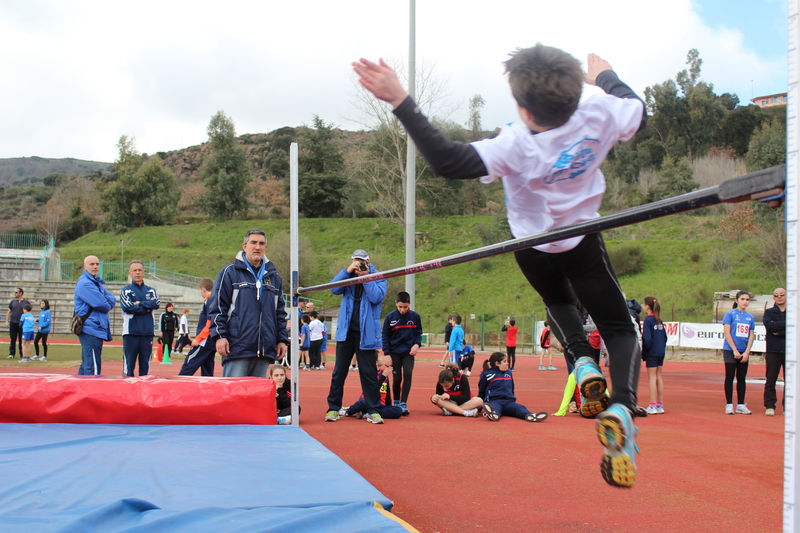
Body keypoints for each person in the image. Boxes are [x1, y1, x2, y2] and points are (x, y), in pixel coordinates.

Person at [354, 45, 646, 487]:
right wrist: (605, 76)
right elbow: (638, 110)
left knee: (556, 301)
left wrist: (400, 99)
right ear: (573, 90)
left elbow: (448, 159)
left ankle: (583, 363)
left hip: (531, 244)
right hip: (582, 240)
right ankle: (622, 406)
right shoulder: (601, 108)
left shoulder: (516, 142)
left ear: (523, 107)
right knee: (621, 330)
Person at [208, 230, 288, 378]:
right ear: (244, 246)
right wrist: (220, 336)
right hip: (237, 347)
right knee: (233, 395)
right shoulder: (230, 272)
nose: (257, 247)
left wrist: (282, 339)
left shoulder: (274, 278)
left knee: (256, 398)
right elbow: (217, 307)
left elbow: (280, 313)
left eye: (261, 243)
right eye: (253, 243)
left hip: (264, 350)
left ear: (266, 248)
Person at [324, 249, 387, 424]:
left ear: (369, 261)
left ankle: (373, 410)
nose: (359, 264)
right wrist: (347, 271)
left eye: (362, 261)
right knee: (339, 373)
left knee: (368, 373)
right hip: (346, 333)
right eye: (356, 261)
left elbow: (377, 297)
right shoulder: (348, 276)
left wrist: (366, 277)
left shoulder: (379, 276)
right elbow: (334, 288)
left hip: (366, 335)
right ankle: (333, 408)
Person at [74, 255, 117, 375]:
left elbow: (112, 298)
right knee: (92, 366)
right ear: (85, 266)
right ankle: (91, 392)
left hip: (94, 327)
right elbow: (103, 305)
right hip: (91, 327)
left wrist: (106, 301)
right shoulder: (85, 284)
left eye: (97, 264)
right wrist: (106, 302)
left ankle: (80, 390)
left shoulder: (95, 283)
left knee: (87, 364)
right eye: (92, 264)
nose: (95, 266)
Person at [382, 291, 422, 415]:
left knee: (408, 374)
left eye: (405, 307)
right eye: (400, 307)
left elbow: (418, 333)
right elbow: (385, 336)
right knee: (397, 377)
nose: (403, 310)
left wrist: (416, 345)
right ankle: (396, 401)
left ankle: (403, 403)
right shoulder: (390, 317)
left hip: (408, 352)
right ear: (396, 304)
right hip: (394, 352)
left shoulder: (415, 316)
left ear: (409, 304)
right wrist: (387, 354)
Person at [478, 352, 548, 423]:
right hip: (494, 400)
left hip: (508, 401)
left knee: (520, 408)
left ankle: (531, 415)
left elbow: (512, 388)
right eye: (504, 361)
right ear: (497, 363)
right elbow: (482, 391)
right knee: (495, 408)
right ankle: (493, 414)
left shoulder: (508, 373)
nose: (507, 363)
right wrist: (479, 407)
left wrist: (511, 398)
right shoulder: (486, 375)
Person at [120, 260, 160, 377]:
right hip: (131, 332)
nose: (137, 273)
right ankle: (127, 392)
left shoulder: (151, 290)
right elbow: (127, 307)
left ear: (144, 272)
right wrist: (146, 306)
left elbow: (156, 304)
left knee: (145, 368)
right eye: (134, 270)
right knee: (129, 367)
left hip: (147, 333)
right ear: (130, 273)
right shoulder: (126, 290)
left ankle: (144, 393)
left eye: (139, 270)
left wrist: (138, 303)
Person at [340, 355, 403, 422]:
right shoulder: (370, 374)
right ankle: (347, 411)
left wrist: (388, 405)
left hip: (379, 405)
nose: (382, 357)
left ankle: (367, 414)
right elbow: (372, 390)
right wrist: (383, 377)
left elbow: (386, 391)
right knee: (363, 402)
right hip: (368, 402)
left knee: (398, 410)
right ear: (375, 362)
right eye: (380, 357)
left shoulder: (383, 372)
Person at [722, 291, 755, 415]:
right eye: (742, 299)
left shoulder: (750, 317)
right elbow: (727, 333)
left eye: (747, 299)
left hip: (744, 350)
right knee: (730, 376)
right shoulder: (729, 314)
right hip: (730, 350)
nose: (745, 302)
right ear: (737, 301)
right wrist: (734, 350)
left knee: (741, 377)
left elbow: (751, 336)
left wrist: (747, 352)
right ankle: (729, 404)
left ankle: (741, 404)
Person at [179, 278, 216, 377]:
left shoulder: (209, 300)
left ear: (203, 289)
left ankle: (177, 386)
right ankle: (208, 390)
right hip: (211, 341)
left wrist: (198, 338)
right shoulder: (213, 300)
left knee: (189, 364)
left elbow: (210, 322)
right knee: (207, 369)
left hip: (204, 341)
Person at [641, 297, 667, 415]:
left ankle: (652, 404)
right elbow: (664, 337)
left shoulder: (648, 320)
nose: (642, 306)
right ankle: (660, 404)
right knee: (658, 377)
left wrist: (645, 351)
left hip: (652, 352)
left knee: (652, 378)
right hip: (660, 351)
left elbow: (647, 338)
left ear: (647, 306)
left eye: (643, 304)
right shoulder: (659, 320)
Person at [763, 288, 786, 416]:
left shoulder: (794, 312)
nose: (779, 297)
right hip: (773, 350)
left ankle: (787, 406)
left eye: (782, 294)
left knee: (791, 380)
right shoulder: (769, 312)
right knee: (771, 379)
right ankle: (770, 405)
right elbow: (770, 327)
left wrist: (780, 329)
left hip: (790, 351)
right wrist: (788, 325)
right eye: (776, 295)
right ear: (773, 298)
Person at [6, 287, 31, 359]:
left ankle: (22, 354)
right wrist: (7, 321)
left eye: (16, 292)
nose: (15, 294)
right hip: (13, 322)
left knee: (21, 339)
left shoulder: (26, 302)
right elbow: (9, 311)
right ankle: (11, 353)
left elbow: (29, 313)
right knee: (12, 339)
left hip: (22, 323)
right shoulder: (13, 302)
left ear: (21, 293)